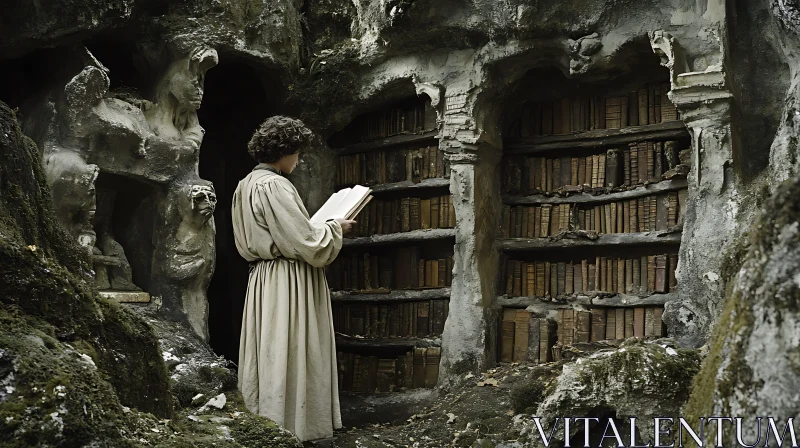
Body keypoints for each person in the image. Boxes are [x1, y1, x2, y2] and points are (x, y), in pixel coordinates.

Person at [231, 115, 355, 442]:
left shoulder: (245, 185)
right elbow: (306, 243)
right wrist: (334, 228)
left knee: (271, 348)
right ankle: (293, 427)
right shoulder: (274, 184)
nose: (299, 160)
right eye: (297, 153)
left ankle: (271, 422)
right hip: (287, 279)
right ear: (283, 151)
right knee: (291, 346)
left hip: (265, 279)